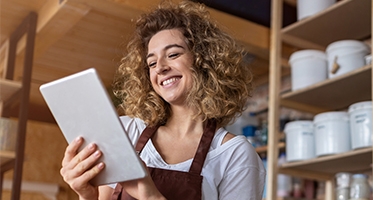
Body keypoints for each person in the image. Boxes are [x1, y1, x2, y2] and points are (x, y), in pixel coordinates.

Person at [59, 1, 266, 199]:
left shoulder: (234, 154)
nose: (160, 67)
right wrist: (86, 195)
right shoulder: (127, 132)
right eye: (151, 63)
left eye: (173, 54)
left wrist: (150, 196)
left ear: (204, 61)